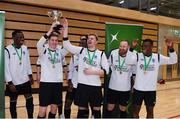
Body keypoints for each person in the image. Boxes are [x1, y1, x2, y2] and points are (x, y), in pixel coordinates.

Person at [62, 18, 109, 118]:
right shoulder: (81, 51)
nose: (89, 40)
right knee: (81, 110)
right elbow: (67, 45)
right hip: (82, 86)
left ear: (96, 42)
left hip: (95, 87)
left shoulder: (101, 54)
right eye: (88, 38)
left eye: (92, 38)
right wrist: (65, 29)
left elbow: (106, 71)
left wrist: (93, 71)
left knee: (96, 110)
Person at [125, 38, 177, 118]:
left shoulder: (158, 57)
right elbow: (128, 61)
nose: (144, 48)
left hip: (151, 91)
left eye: (146, 46)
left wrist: (170, 48)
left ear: (151, 47)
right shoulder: (138, 56)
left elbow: (173, 60)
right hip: (138, 90)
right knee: (135, 112)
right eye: (143, 46)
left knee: (150, 113)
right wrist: (132, 48)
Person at [36, 22, 68, 118]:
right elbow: (39, 44)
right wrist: (50, 30)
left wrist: (63, 33)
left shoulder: (60, 52)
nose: (54, 42)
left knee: (54, 109)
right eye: (52, 40)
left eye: (56, 40)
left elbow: (67, 47)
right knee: (43, 110)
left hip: (57, 83)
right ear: (48, 41)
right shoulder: (43, 51)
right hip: (46, 83)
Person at [5, 30, 34, 118]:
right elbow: (5, 67)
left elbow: (27, 62)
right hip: (14, 82)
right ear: (13, 38)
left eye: (22, 36)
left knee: (29, 98)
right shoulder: (7, 50)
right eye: (19, 37)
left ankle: (30, 117)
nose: (22, 38)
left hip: (25, 80)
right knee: (13, 101)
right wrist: (9, 83)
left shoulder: (25, 48)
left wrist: (30, 75)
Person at [105, 40, 134, 118]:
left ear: (128, 47)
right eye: (120, 46)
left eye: (124, 46)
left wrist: (134, 85)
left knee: (123, 108)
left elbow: (134, 73)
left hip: (125, 88)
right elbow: (107, 65)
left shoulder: (133, 55)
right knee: (110, 107)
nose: (121, 48)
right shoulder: (113, 53)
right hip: (113, 87)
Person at [64, 35, 87, 118]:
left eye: (83, 42)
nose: (81, 44)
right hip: (73, 85)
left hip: (83, 85)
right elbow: (71, 70)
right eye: (80, 42)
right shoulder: (74, 55)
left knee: (84, 106)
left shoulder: (90, 56)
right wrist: (69, 81)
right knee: (67, 104)